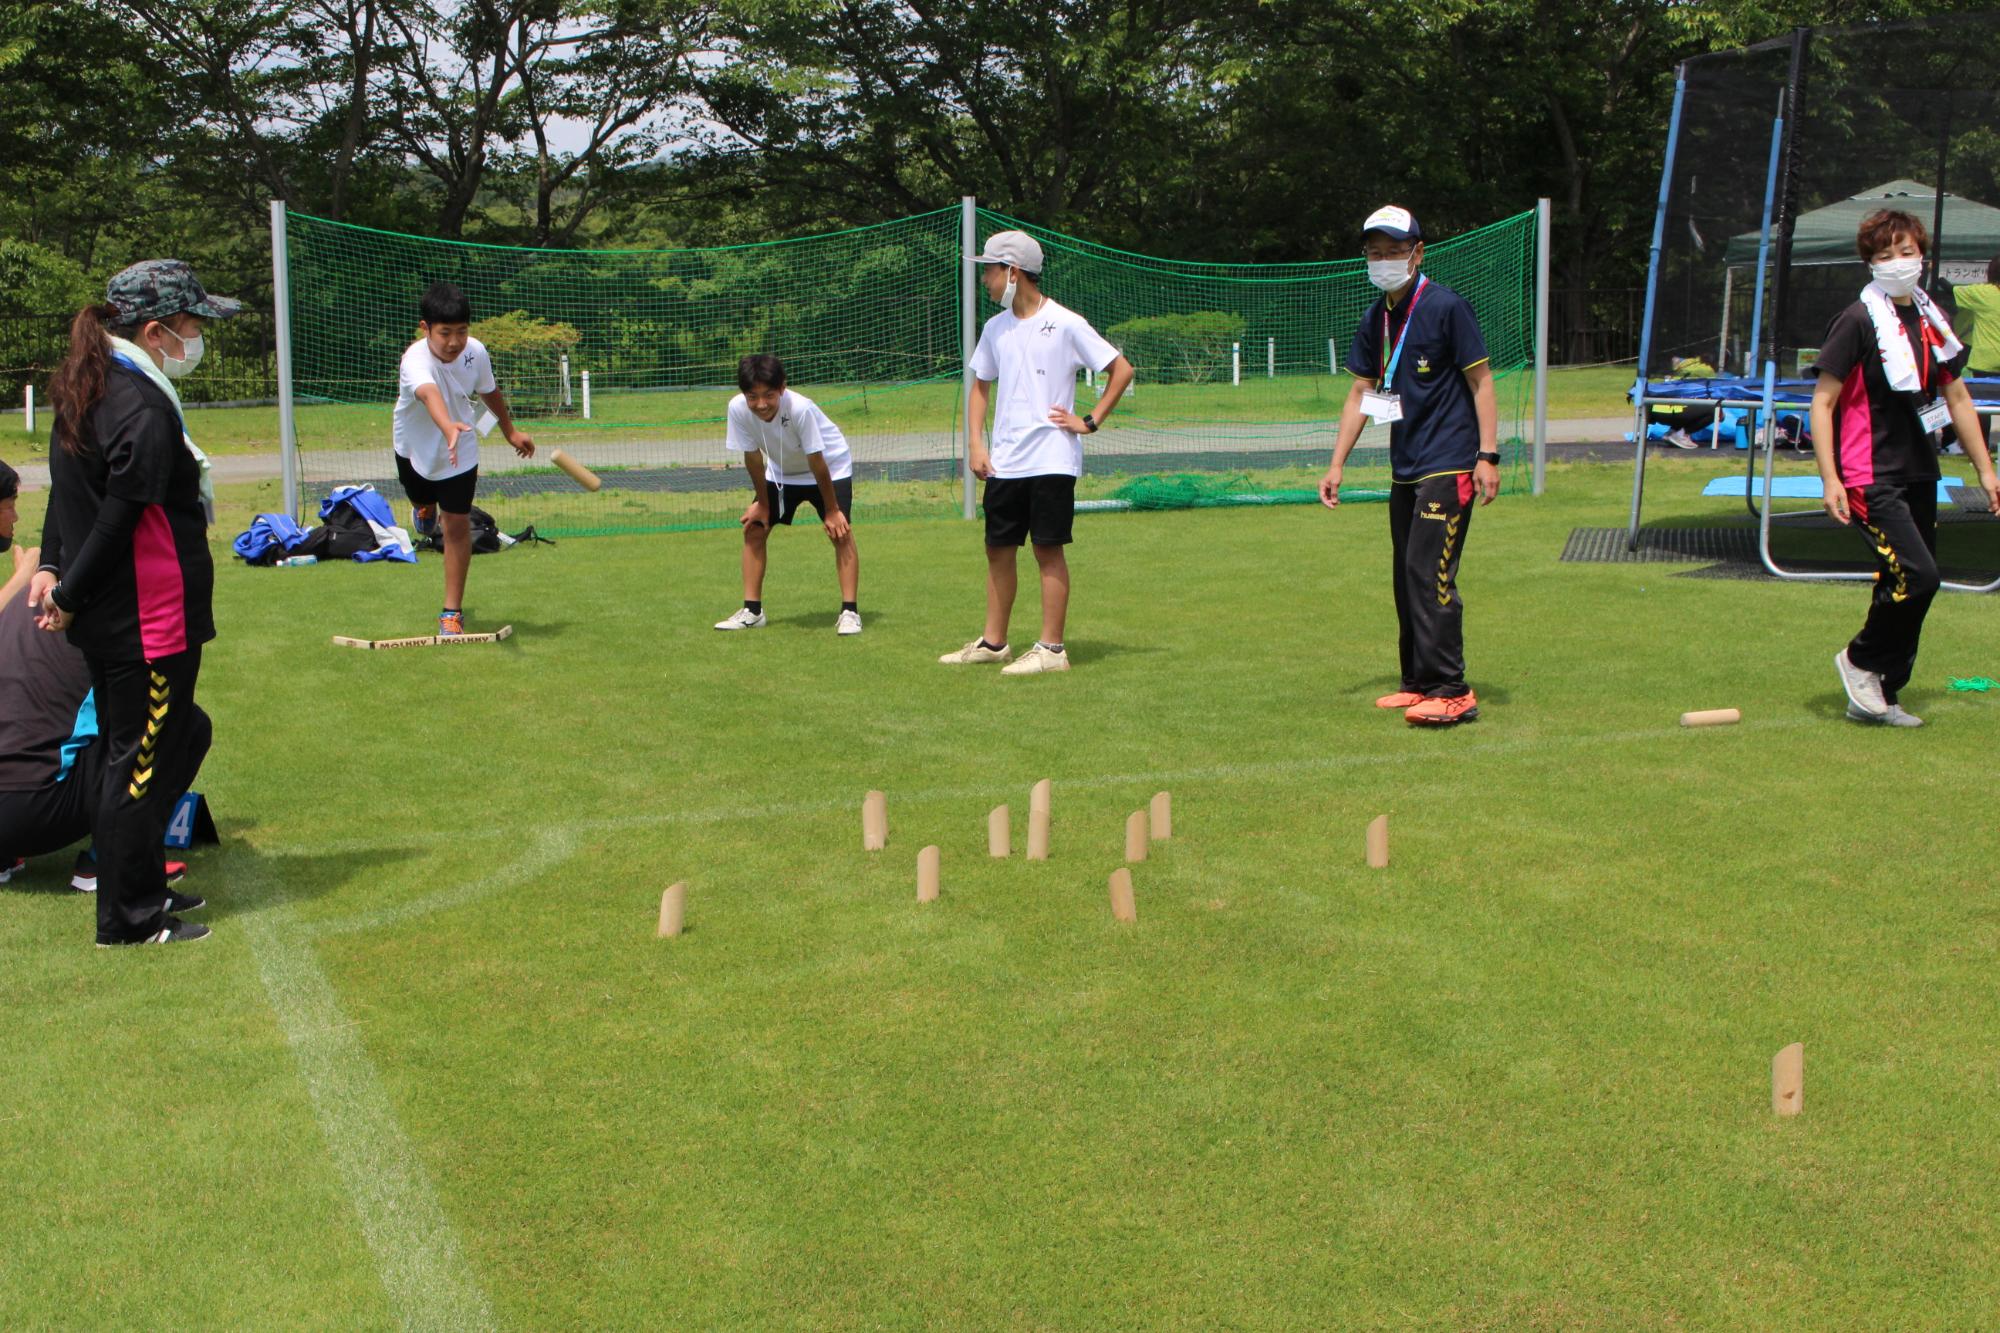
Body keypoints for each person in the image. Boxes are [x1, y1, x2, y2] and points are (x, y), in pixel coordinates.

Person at [30, 260, 235, 945]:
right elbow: (120, 514)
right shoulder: (138, 402)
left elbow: (66, 489)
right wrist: (67, 588)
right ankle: (128, 918)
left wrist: (58, 563)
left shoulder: (94, 384)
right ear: (155, 330)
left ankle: (141, 887)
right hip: (147, 619)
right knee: (137, 762)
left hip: (128, 615)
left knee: (150, 748)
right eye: (192, 326)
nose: (199, 338)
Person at [1812, 210, 2000, 727]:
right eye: (1885, 255)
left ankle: (1883, 693)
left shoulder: (1930, 317)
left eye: (1906, 252)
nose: (1898, 263)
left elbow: (1956, 396)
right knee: (1918, 577)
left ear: (1923, 254)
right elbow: (1822, 402)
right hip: (1870, 473)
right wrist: (1831, 477)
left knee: (1901, 580)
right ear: (1869, 262)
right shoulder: (1855, 320)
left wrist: (1986, 471)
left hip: (1920, 469)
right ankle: (1859, 660)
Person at [1319, 205, 1500, 726]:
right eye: (1375, 253)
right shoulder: (1376, 317)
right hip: (1406, 465)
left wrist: (1487, 455)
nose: (1383, 261)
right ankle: (1418, 680)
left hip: (1450, 460)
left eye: (1394, 251)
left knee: (1430, 571)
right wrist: (1337, 464)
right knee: (1405, 572)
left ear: (1417, 253)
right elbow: (1361, 391)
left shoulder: (1447, 307)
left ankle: (1452, 689)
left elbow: (1481, 382)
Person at [0, 459, 209, 897]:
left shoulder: (20, 597)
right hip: (32, 812)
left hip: (17, 801)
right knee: (185, 724)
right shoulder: (110, 611)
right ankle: (107, 859)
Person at [940, 230, 1133, 675]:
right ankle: (994, 643)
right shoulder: (994, 328)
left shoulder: (1066, 322)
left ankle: (1051, 650)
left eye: (989, 270)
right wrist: (976, 443)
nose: (986, 280)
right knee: (998, 548)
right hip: (1005, 461)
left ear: (1013, 272)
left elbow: (1120, 369)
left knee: (1047, 549)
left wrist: (1089, 421)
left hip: (1051, 459)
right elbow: (980, 387)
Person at [393, 281, 535, 637]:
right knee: (422, 499)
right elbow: (428, 395)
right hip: (414, 447)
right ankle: (423, 508)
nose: (454, 342)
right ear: (425, 328)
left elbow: (489, 390)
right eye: (445, 333)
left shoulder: (476, 352)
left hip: (462, 450)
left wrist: (509, 431)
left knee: (456, 526)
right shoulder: (415, 359)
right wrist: (446, 426)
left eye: (461, 331)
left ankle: (451, 613)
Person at [713, 355, 862, 635]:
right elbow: (753, 458)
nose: (761, 404)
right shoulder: (737, 409)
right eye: (752, 396)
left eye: (769, 395)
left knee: (840, 531)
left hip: (830, 466)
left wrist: (832, 510)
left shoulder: (800, 408)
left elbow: (817, 460)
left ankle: (850, 613)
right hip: (781, 470)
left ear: (782, 387)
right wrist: (762, 505)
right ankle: (752, 612)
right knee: (755, 529)